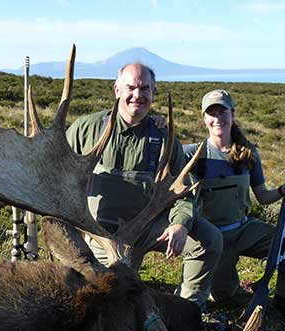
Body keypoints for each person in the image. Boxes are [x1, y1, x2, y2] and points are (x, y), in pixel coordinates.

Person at [66, 63, 222, 308]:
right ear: (116, 89)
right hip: (99, 234)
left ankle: (187, 308)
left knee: (208, 238)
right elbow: (56, 173)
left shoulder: (165, 138)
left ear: (153, 92)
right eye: (130, 87)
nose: (137, 95)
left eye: (145, 89)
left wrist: (180, 224)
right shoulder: (85, 129)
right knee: (105, 300)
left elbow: (184, 191)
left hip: (148, 228)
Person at [183, 89, 285, 325]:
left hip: (243, 230)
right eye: (212, 113)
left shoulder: (248, 153)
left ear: (232, 113)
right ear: (204, 118)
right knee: (224, 297)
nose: (218, 118)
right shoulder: (191, 154)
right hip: (210, 238)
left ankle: (284, 300)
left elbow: (262, 196)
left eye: (223, 111)